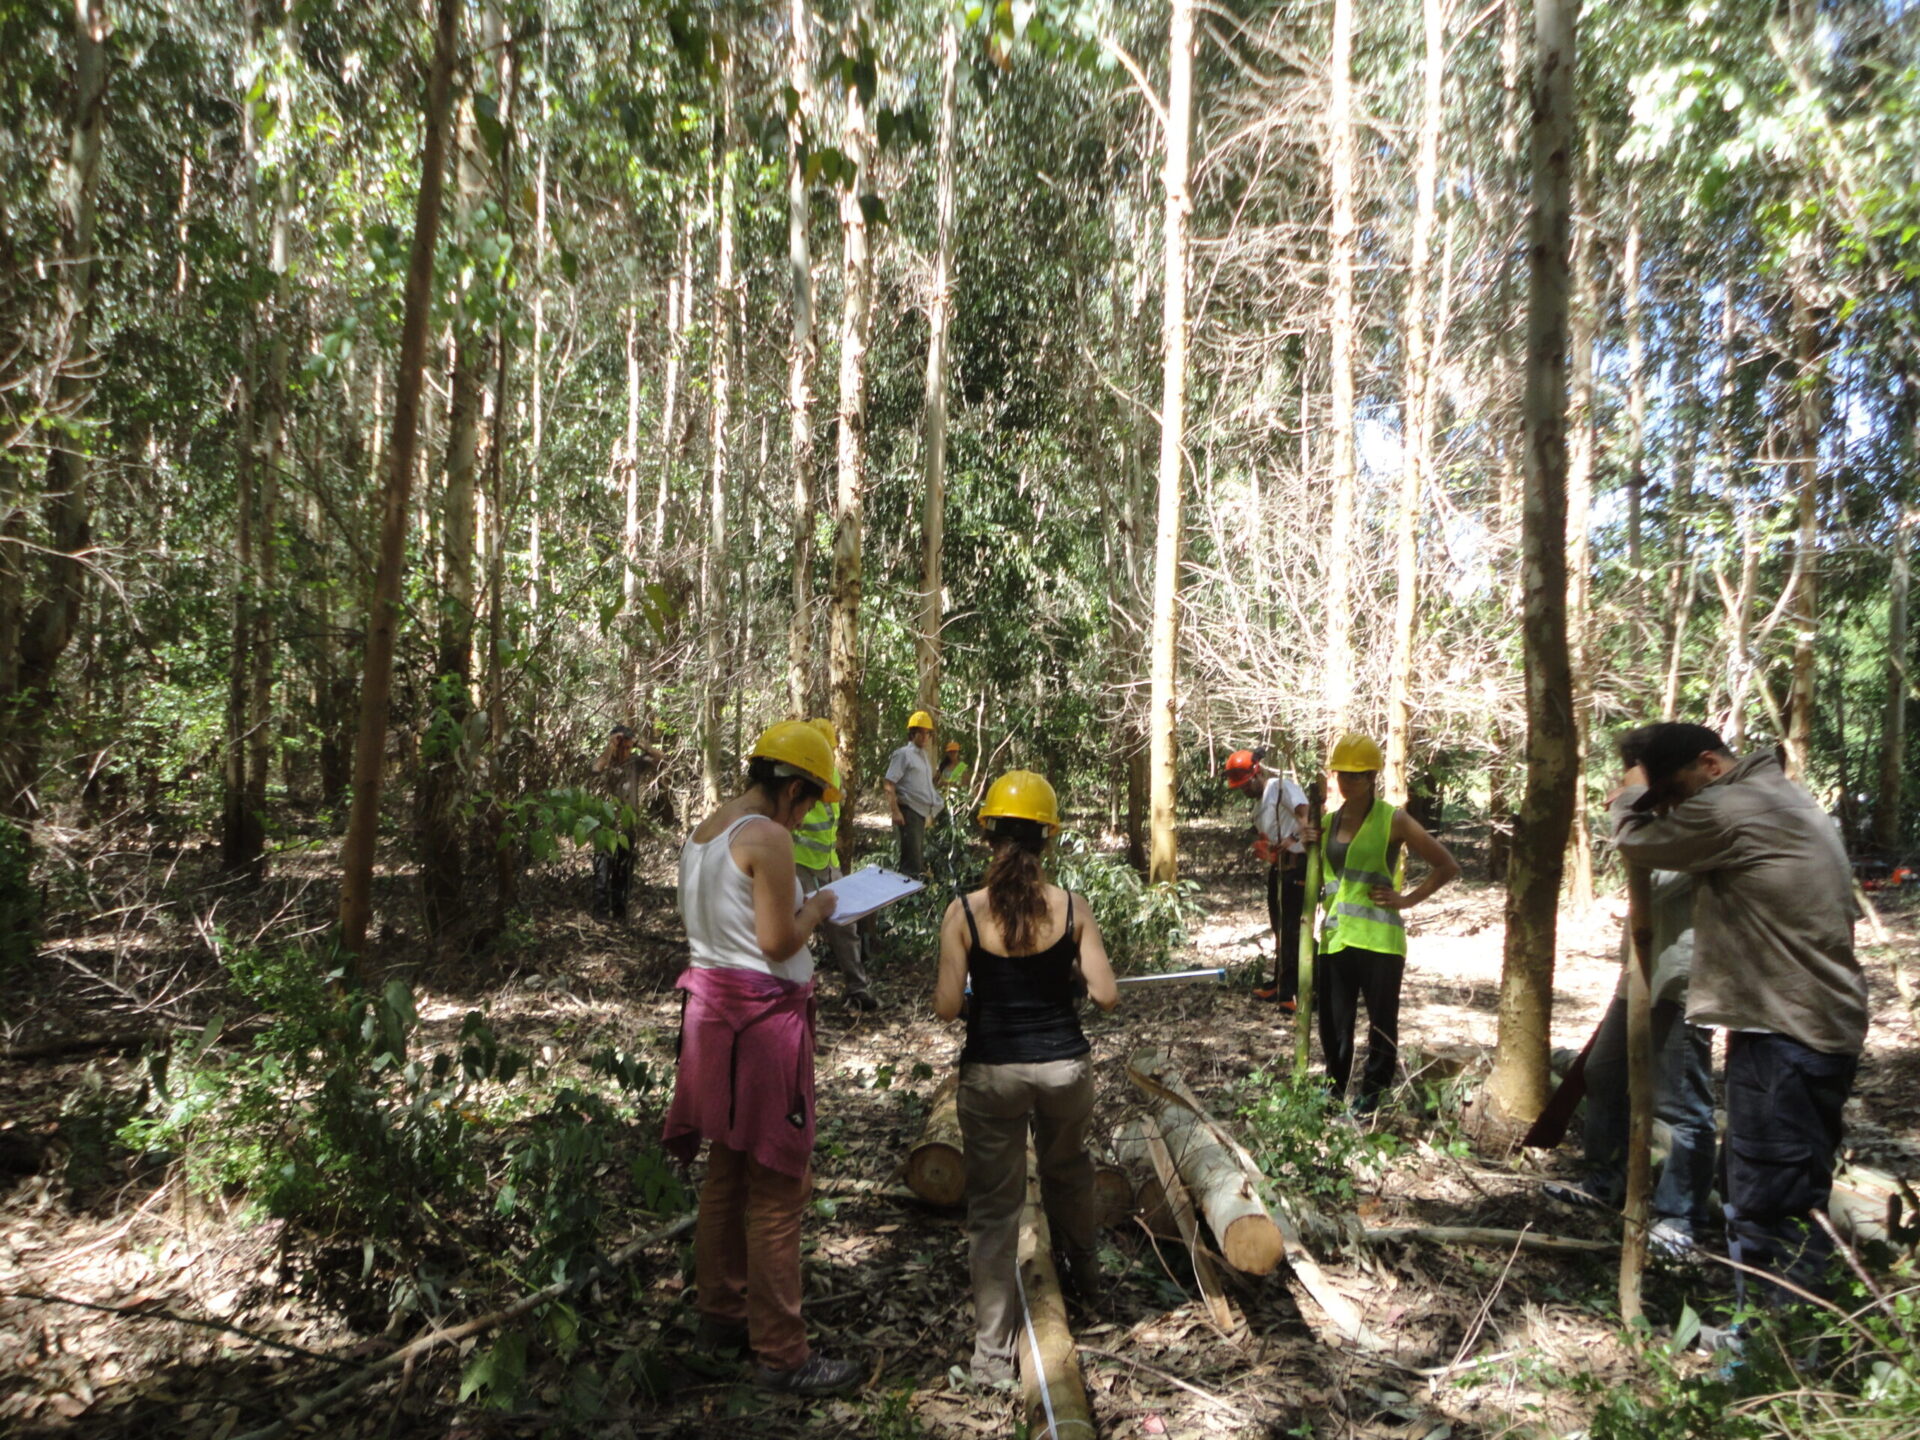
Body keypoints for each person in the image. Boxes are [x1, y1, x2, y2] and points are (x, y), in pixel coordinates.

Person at [1611, 722, 1868, 1306]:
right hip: (1800, 1029)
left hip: (1788, 1033)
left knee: (1768, 1206)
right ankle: (1777, 1343)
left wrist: (1628, 794)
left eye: (1677, 793)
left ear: (1710, 764)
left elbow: (1635, 843)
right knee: (1773, 1192)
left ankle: (1775, 1361)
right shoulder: (1780, 795)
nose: (1675, 809)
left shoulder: (1734, 807)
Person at [661, 721, 863, 1396]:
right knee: (778, 1190)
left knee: (727, 1173)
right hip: (761, 1021)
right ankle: (782, 1353)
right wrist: (820, 909)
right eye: (807, 802)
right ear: (794, 789)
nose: (804, 816)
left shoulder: (706, 829)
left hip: (712, 1020)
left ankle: (719, 1315)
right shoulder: (768, 837)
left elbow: (739, 925)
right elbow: (778, 941)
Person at [932, 770, 1120, 1386]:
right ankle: (1088, 1290)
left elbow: (946, 1007)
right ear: (1048, 838)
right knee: (1069, 1171)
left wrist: (973, 984)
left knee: (994, 1209)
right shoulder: (1072, 906)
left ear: (989, 836)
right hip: (1065, 1069)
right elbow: (1108, 996)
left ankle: (990, 1357)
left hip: (992, 1074)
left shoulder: (963, 911)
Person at [1549, 728, 1717, 1257]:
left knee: (1680, 1105)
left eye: (1662, 785)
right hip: (1641, 973)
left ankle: (1678, 1217)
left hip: (1680, 978)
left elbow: (1657, 878)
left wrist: (1629, 806)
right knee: (1602, 1073)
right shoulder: (1675, 817)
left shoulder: (1713, 816)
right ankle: (1608, 1181)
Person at [1299, 732, 1460, 1113]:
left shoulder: (1394, 820)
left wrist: (1406, 900)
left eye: (1356, 776)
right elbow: (1313, 873)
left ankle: (1372, 1094)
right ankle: (1334, 1089)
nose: (1347, 782)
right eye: (1342, 774)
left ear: (1372, 778)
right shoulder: (1326, 823)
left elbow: (1446, 865)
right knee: (1334, 1022)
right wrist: (1307, 840)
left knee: (1381, 1023)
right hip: (1337, 937)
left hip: (1380, 941)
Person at [792, 718, 877, 1011]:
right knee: (796, 926)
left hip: (828, 864)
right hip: (798, 863)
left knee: (845, 924)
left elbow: (831, 823)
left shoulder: (835, 777)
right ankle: (799, 989)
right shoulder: (799, 780)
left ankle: (858, 988)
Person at [1224, 747, 1309, 1011]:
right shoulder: (1260, 805)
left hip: (1298, 868)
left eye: (1246, 784)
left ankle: (1299, 990)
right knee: (1280, 928)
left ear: (1256, 773)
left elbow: (1306, 814)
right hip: (1280, 869)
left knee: (1295, 929)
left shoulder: (1280, 787)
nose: (1244, 790)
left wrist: (1294, 838)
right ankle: (1281, 983)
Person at [589, 723, 664, 920]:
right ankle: (601, 915)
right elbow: (596, 768)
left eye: (627, 748)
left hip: (627, 826)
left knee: (623, 871)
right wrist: (611, 747)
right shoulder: (605, 762)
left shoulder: (635, 763)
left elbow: (660, 758)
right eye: (621, 747)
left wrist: (639, 743)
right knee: (602, 872)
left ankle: (620, 915)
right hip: (604, 827)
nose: (624, 751)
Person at [884, 710, 943, 878]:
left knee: (917, 859)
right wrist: (895, 811)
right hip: (909, 813)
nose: (925, 737)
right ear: (912, 733)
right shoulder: (904, 754)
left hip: (922, 814)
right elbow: (889, 783)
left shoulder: (924, 756)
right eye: (921, 733)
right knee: (911, 865)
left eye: (928, 733)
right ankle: (907, 902)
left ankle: (912, 897)